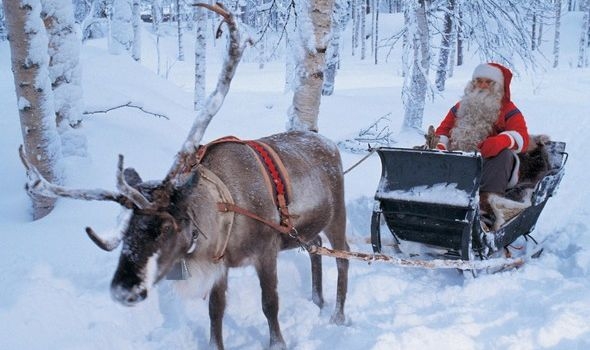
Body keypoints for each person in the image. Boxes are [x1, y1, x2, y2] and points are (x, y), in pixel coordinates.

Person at [434, 63, 530, 220]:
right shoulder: (460, 107)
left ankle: (487, 208)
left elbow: (523, 137)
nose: (483, 86)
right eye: (479, 81)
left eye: (489, 82)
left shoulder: (507, 109)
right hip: (461, 161)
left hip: (492, 166)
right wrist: (440, 144)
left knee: (504, 154)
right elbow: (443, 130)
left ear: (497, 86)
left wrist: (502, 140)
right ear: (472, 83)